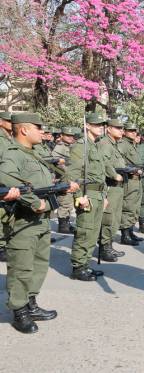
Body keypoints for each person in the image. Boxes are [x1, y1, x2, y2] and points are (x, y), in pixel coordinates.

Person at [0, 112, 78, 333]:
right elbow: (7, 180)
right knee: (22, 267)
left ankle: (31, 303)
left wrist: (62, 186)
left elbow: (42, 182)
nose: (43, 132)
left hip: (41, 222)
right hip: (23, 222)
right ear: (24, 129)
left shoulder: (35, 153)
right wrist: (36, 203)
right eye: (38, 127)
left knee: (39, 265)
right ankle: (19, 311)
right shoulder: (12, 154)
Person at [65, 113, 109, 281]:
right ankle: (78, 267)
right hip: (86, 194)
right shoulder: (80, 146)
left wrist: (104, 195)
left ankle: (85, 264)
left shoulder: (96, 145)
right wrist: (78, 196)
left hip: (97, 194)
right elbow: (73, 174)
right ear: (87, 126)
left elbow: (101, 174)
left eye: (101, 124)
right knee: (84, 231)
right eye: (96, 124)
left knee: (93, 233)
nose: (100, 127)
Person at [97, 118, 127, 261]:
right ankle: (104, 248)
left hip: (118, 187)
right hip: (110, 185)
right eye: (117, 128)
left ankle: (109, 244)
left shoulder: (114, 144)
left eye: (122, 128)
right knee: (108, 218)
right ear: (108, 129)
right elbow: (104, 162)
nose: (121, 130)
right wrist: (114, 175)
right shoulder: (105, 143)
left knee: (115, 218)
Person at [118, 123, 144, 246]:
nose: (134, 133)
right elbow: (120, 163)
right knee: (128, 206)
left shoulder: (132, 144)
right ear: (124, 131)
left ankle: (130, 231)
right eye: (131, 131)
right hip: (129, 179)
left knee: (135, 207)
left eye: (135, 131)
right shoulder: (123, 144)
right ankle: (125, 235)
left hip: (137, 180)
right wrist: (132, 169)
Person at [52, 126, 77, 234]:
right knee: (65, 202)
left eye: (72, 136)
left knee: (69, 202)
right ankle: (62, 226)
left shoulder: (69, 146)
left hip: (69, 177)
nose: (71, 137)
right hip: (62, 178)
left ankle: (66, 223)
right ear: (61, 136)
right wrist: (64, 171)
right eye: (68, 135)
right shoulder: (60, 147)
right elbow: (55, 163)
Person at [0, 111, 14, 262]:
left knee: (6, 214)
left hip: (8, 180)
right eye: (9, 121)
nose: (12, 123)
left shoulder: (10, 138)